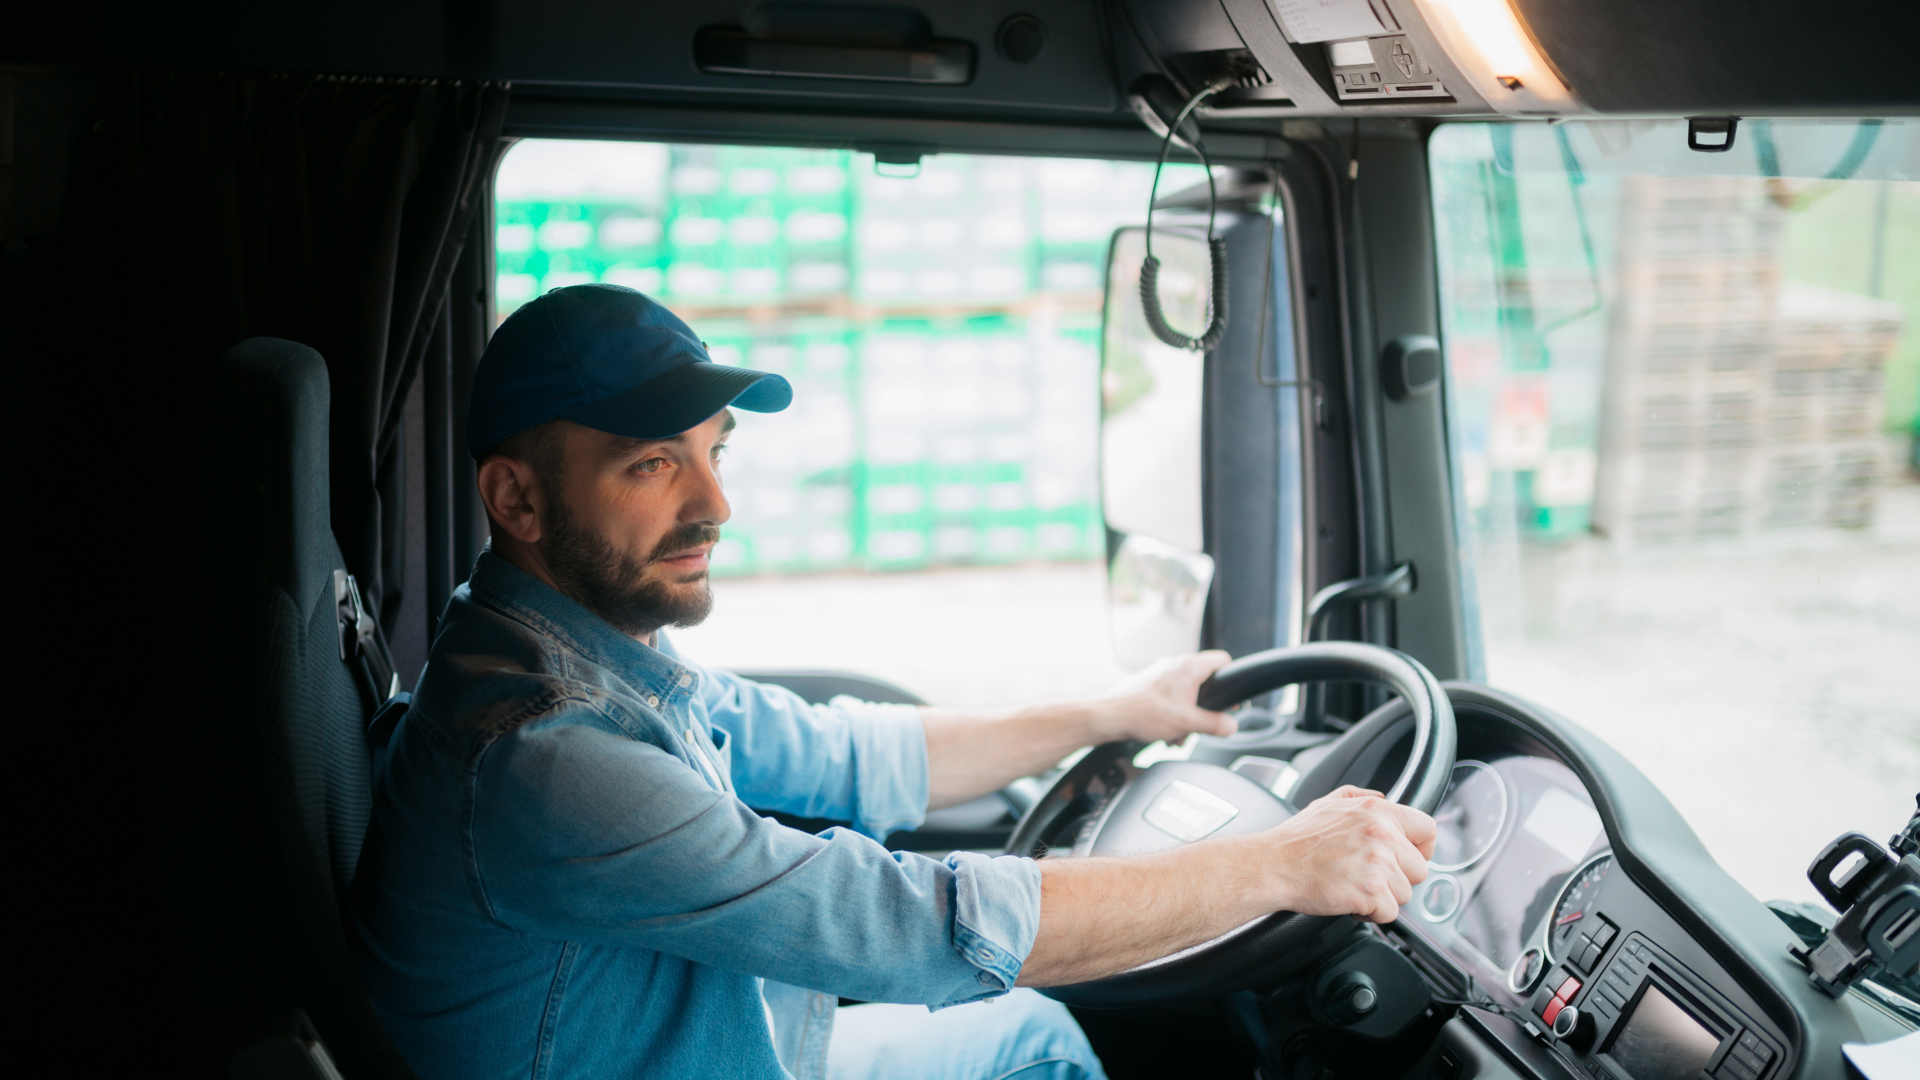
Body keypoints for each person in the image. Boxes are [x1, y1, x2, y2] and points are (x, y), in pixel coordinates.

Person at [348, 284, 1438, 1080]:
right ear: (518, 500)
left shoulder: (567, 654)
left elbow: (842, 749)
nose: (714, 505)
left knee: (1033, 1040)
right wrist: (1279, 867)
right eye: (652, 464)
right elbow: (908, 927)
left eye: (715, 451)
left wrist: (1120, 710)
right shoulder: (544, 757)